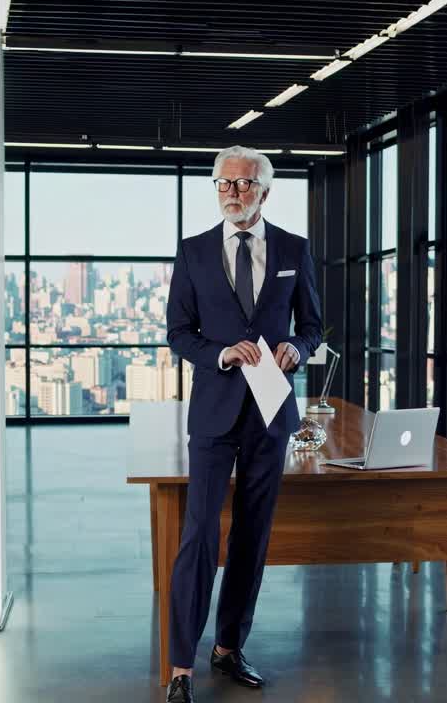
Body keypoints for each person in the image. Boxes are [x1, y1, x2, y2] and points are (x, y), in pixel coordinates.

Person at [163, 146, 322, 703]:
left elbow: (314, 327)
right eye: (223, 184)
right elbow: (179, 333)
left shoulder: (294, 250)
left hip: (270, 412)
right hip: (214, 412)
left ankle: (229, 647)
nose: (232, 192)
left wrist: (296, 350)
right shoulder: (194, 253)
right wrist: (221, 355)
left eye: (243, 184)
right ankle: (180, 665)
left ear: (264, 191)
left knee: (253, 536)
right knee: (199, 534)